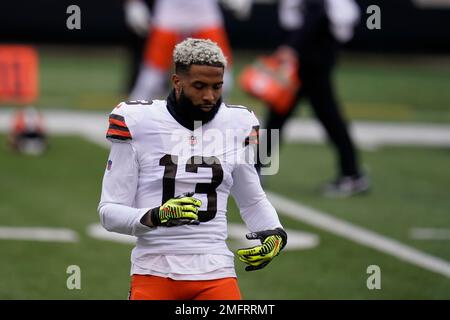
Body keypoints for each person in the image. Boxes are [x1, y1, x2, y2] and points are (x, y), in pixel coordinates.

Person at [98, 38, 287, 300]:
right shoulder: (139, 122)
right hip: (154, 268)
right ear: (177, 82)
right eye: (199, 86)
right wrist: (156, 215)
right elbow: (108, 212)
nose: (209, 96)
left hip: (215, 269)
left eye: (216, 86)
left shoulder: (238, 123)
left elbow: (252, 200)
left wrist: (274, 232)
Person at [262, 0, 369, 197]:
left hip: (310, 57)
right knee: (279, 115)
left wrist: (292, 48)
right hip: (309, 54)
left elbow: (315, 13)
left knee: (323, 117)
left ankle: (352, 174)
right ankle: (352, 173)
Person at [127, 0, 237, 101]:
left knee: (223, 78)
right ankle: (128, 116)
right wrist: (133, 3)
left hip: (205, 18)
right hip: (169, 19)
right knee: (151, 80)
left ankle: (216, 118)